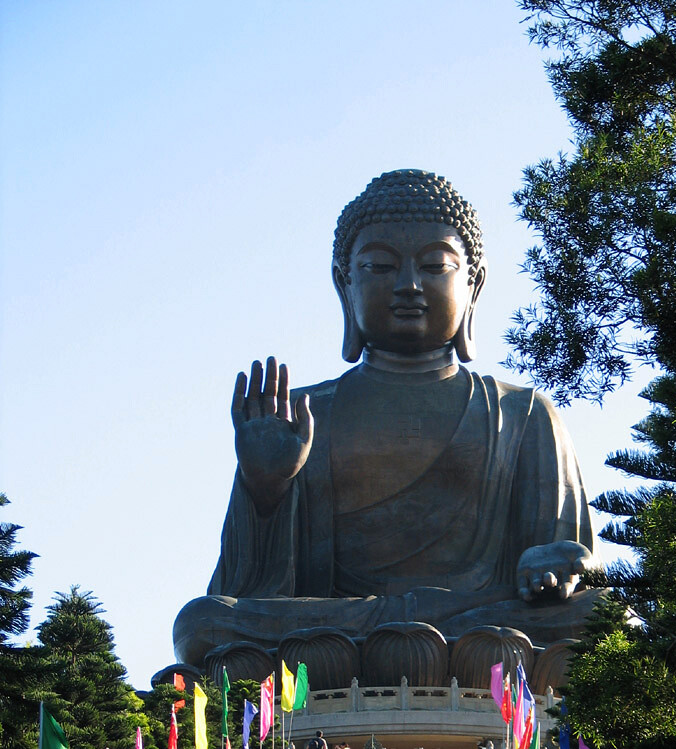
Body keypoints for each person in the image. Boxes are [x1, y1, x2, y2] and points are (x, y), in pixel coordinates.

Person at [172, 170, 598, 675]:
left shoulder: (522, 413)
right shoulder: (303, 414)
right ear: (343, 282)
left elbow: (575, 570)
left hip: (481, 624)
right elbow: (241, 593)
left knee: (604, 620)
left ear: (473, 283)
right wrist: (265, 490)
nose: (408, 286)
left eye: (435, 265)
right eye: (379, 266)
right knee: (202, 623)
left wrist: (560, 563)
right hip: (343, 627)